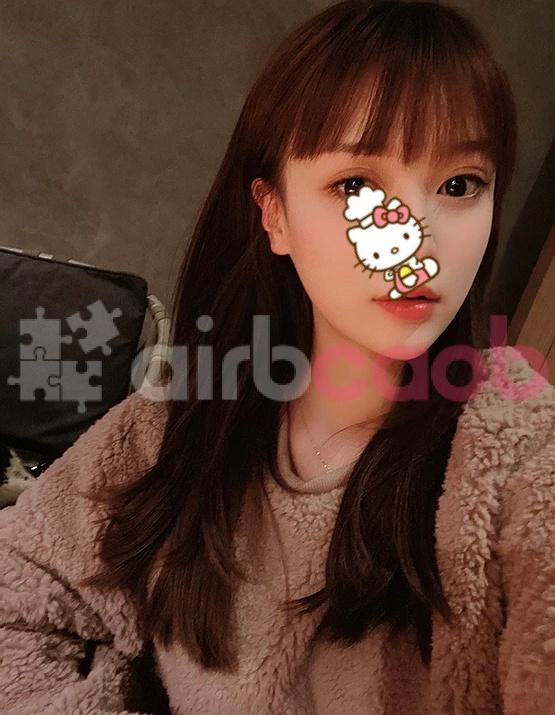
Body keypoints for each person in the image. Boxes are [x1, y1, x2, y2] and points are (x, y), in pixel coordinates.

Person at [1, 1, 553, 713]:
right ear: (275, 214)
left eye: (459, 185)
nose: (415, 244)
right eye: (356, 186)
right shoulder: (175, 423)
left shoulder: (515, 452)